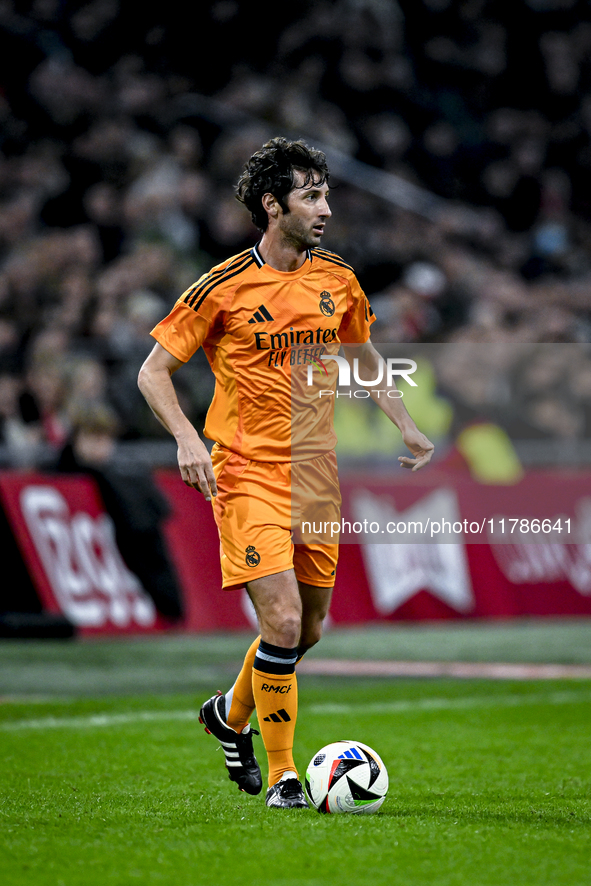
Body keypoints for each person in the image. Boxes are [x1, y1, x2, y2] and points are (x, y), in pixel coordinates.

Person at [137, 137, 434, 809]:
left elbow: (362, 355)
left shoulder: (337, 279)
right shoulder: (220, 287)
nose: (325, 208)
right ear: (273, 206)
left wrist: (405, 423)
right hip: (244, 472)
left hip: (314, 476)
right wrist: (186, 439)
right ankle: (283, 776)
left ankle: (228, 715)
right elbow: (151, 372)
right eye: (311, 196)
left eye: (325, 194)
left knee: (307, 631)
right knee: (279, 619)